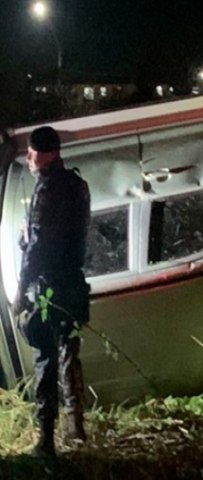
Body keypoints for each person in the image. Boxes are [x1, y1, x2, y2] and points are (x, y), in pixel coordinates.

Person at [13, 126, 91, 457]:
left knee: (45, 357)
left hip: (49, 288)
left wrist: (20, 290)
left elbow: (40, 248)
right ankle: (76, 429)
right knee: (69, 354)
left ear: (46, 154)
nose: (28, 158)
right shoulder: (77, 184)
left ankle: (45, 441)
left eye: (32, 152)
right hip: (73, 283)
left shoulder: (47, 191)